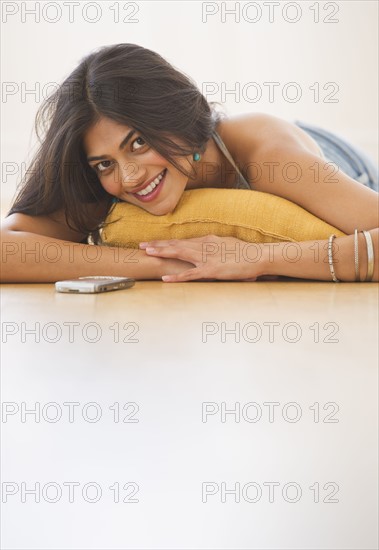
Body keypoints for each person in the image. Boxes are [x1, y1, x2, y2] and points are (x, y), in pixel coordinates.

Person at [1, 43, 378, 283]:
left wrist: (258, 258)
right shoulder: (109, 181)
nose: (130, 177)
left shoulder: (270, 157)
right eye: (104, 163)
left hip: (338, 158)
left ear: (173, 117)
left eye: (138, 142)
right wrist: (165, 265)